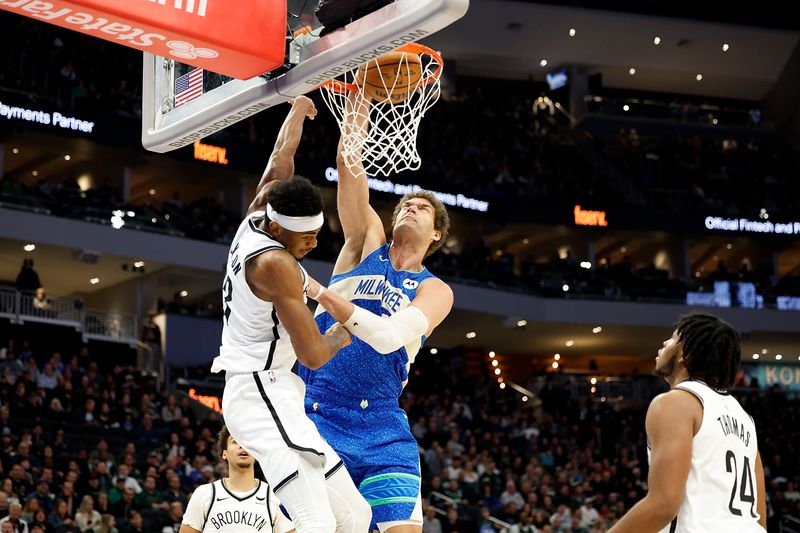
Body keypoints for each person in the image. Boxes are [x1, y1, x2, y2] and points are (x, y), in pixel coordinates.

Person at [209, 96, 370, 533]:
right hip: (257, 391)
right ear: (279, 230)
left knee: (355, 516)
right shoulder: (276, 265)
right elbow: (315, 355)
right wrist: (343, 331)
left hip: (277, 390)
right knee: (315, 521)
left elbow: (282, 155)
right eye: (306, 237)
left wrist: (297, 110)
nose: (314, 244)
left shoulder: (263, 208)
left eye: (318, 233)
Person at [300, 93, 454, 532]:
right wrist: (356, 113)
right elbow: (351, 175)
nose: (410, 206)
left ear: (437, 233)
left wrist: (318, 292)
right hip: (319, 411)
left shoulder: (435, 290)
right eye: (406, 202)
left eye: (422, 207)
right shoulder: (367, 242)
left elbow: (388, 337)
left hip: (383, 423)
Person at [608, 312, 767, 532]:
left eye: (673, 338)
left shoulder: (676, 403)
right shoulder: (744, 418)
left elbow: (662, 506)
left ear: (686, 354)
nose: (665, 343)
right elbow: (758, 517)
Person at [179, 425, 294, 533]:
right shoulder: (204, 493)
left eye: (247, 442)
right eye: (235, 441)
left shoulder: (275, 497)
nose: (242, 445)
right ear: (225, 454)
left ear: (256, 454)